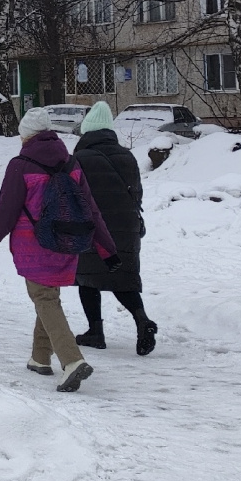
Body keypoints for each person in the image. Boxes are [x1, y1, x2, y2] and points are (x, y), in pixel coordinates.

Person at [0, 107, 118, 392]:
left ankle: (71, 361)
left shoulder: (20, 165)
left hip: (35, 245)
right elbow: (91, 210)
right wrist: (108, 250)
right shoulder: (71, 163)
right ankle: (40, 357)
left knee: (44, 297)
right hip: (69, 242)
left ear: (26, 135)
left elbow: (6, 212)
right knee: (48, 296)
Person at [71, 102, 158, 356]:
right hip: (126, 226)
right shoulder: (127, 156)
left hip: (92, 227)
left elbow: (73, 195)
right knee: (124, 277)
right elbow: (137, 194)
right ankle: (142, 320)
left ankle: (95, 331)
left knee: (87, 277)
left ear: (87, 131)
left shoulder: (80, 158)